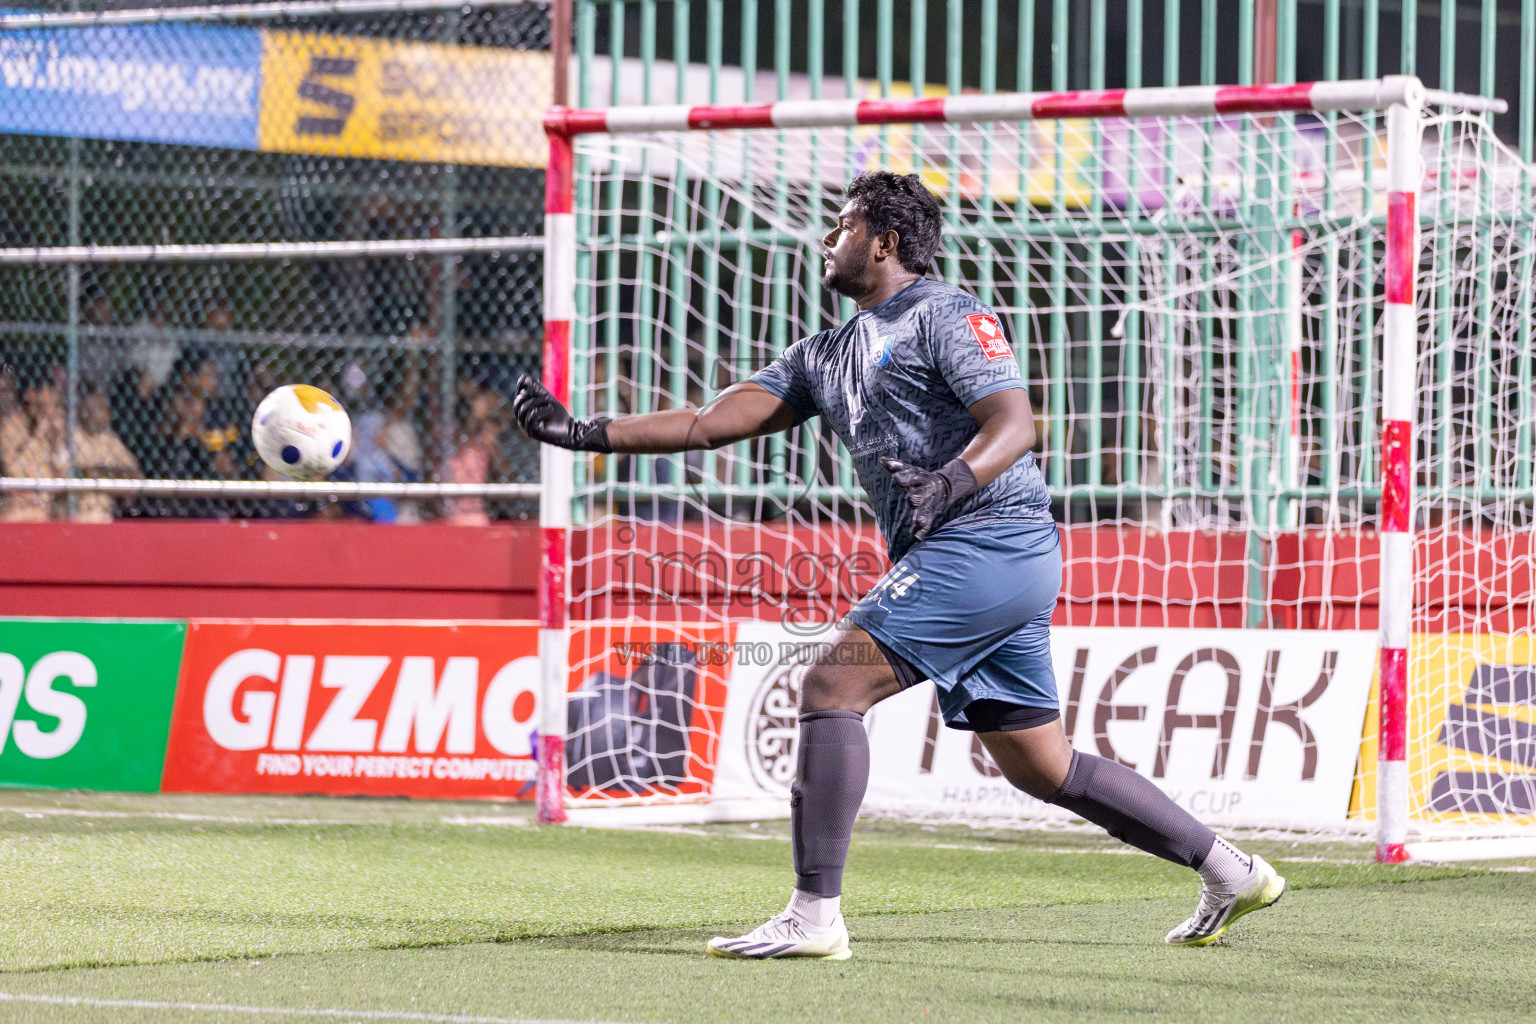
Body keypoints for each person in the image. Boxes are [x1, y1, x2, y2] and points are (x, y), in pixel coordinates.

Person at [514, 171, 1285, 958]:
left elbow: (1014, 421)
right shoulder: (827, 352)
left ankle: (814, 917)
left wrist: (953, 478)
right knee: (1042, 766)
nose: (827, 239)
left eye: (841, 225)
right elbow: (716, 421)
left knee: (831, 680)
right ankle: (1232, 869)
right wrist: (587, 433)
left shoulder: (947, 314)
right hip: (974, 561)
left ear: (883, 241)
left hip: (992, 537)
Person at [71, 387, 140, 523]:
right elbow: (74, 473)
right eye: (96, 408)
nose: (105, 413)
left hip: (106, 514)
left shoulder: (110, 440)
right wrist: (109, 474)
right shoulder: (73, 437)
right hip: (77, 514)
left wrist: (99, 473)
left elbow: (133, 475)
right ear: (82, 412)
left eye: (103, 408)